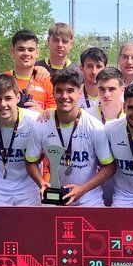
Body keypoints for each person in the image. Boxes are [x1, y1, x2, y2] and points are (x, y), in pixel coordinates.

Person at [25, 69, 116, 206]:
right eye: (59, 91)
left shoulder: (95, 127)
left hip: (89, 199)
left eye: (70, 91)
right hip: (54, 197)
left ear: (79, 92)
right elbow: (30, 161)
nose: (64, 96)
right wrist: (41, 182)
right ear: (53, 93)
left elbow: (109, 167)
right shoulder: (41, 125)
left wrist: (83, 189)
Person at [0, 75, 41, 206]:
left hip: (29, 187)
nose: (3, 104)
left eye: (8, 98)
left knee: (30, 226)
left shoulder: (36, 122)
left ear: (18, 98)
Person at [0, 29, 55, 114]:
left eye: (31, 50)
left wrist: (41, 113)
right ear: (13, 52)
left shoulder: (47, 81)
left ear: (37, 53)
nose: (26, 53)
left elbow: (53, 116)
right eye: (21, 49)